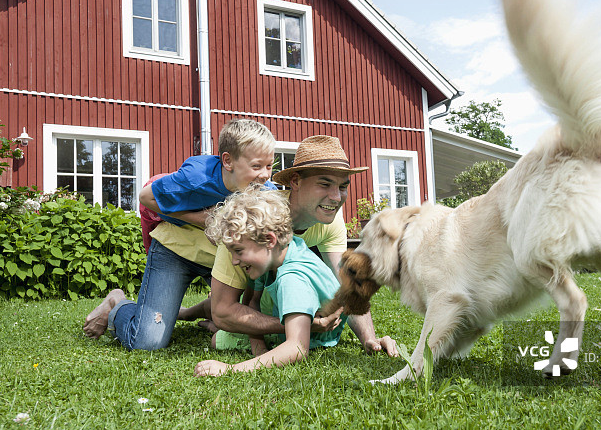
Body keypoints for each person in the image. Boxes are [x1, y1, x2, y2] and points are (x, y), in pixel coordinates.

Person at [192, 134, 397, 356]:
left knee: (221, 334)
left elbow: (346, 285)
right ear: (296, 181)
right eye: (325, 184)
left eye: (342, 186)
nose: (337, 197)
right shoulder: (251, 223)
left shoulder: (330, 221)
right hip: (240, 287)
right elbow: (223, 311)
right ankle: (186, 313)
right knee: (212, 324)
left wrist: (370, 339)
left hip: (272, 294)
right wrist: (298, 326)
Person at [82, 119, 277, 350]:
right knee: (146, 342)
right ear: (228, 161)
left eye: (269, 165)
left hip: (217, 257)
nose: (265, 175)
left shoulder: (263, 190)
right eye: (257, 166)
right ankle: (117, 303)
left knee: (240, 314)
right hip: (174, 251)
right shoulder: (196, 177)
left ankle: (204, 312)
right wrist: (204, 219)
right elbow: (146, 198)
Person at [193, 187, 355, 375]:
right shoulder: (272, 256)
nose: (234, 261)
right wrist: (258, 346)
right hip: (285, 313)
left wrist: (230, 369)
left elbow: (297, 347)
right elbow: (251, 302)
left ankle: (205, 322)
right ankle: (193, 316)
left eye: (238, 251)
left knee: (218, 340)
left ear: (269, 240)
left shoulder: (293, 279)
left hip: (317, 336)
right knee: (226, 331)